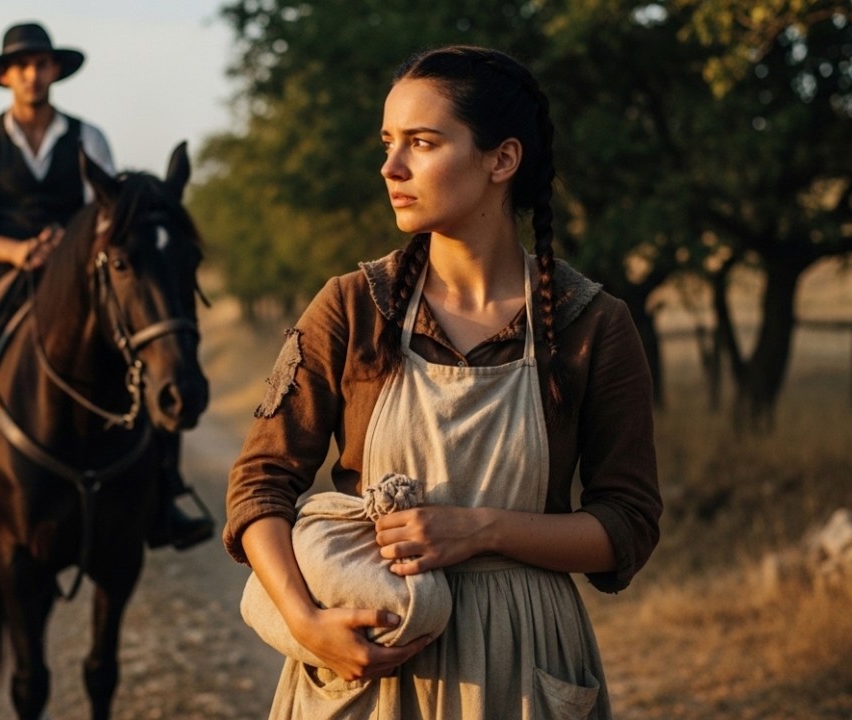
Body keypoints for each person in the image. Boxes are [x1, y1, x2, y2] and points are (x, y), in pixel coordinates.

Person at [223, 45, 662, 718]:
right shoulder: (351, 307)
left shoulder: (590, 325)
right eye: (388, 143)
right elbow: (260, 485)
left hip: (523, 664)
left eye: (422, 143)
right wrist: (306, 622)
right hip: (367, 663)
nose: (391, 168)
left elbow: (626, 526)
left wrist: (483, 530)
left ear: (501, 160)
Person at [0, 21, 213, 558]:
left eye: (42, 64)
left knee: (149, 354)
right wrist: (17, 251)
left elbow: (113, 214)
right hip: (1, 267)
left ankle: (167, 492)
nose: (33, 74)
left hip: (77, 273)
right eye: (23, 66)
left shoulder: (87, 137)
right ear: (6, 76)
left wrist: (72, 249)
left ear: (55, 70)